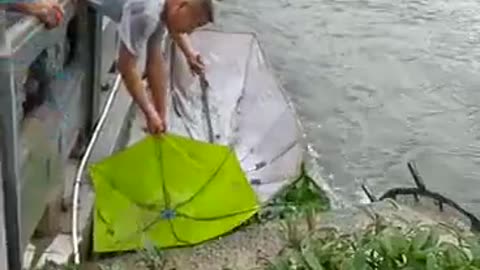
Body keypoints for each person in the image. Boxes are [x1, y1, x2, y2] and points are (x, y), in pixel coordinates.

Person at [96, 0, 214, 134]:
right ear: (181, 6)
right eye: (194, 24)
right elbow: (126, 66)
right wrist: (149, 113)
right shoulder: (148, 13)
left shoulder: (163, 9)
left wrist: (160, 115)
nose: (190, 32)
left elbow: (155, 57)